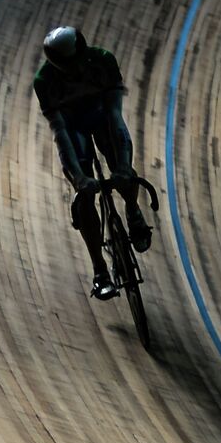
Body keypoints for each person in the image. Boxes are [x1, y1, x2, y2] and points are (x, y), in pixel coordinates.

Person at [33, 25, 154, 299]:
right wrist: (79, 178)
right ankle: (100, 269)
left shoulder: (102, 60)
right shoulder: (45, 81)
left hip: (102, 117)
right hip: (72, 128)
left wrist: (123, 166)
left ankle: (133, 210)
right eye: (70, 66)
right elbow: (60, 133)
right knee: (85, 195)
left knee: (122, 168)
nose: (77, 69)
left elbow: (115, 116)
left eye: (79, 62)